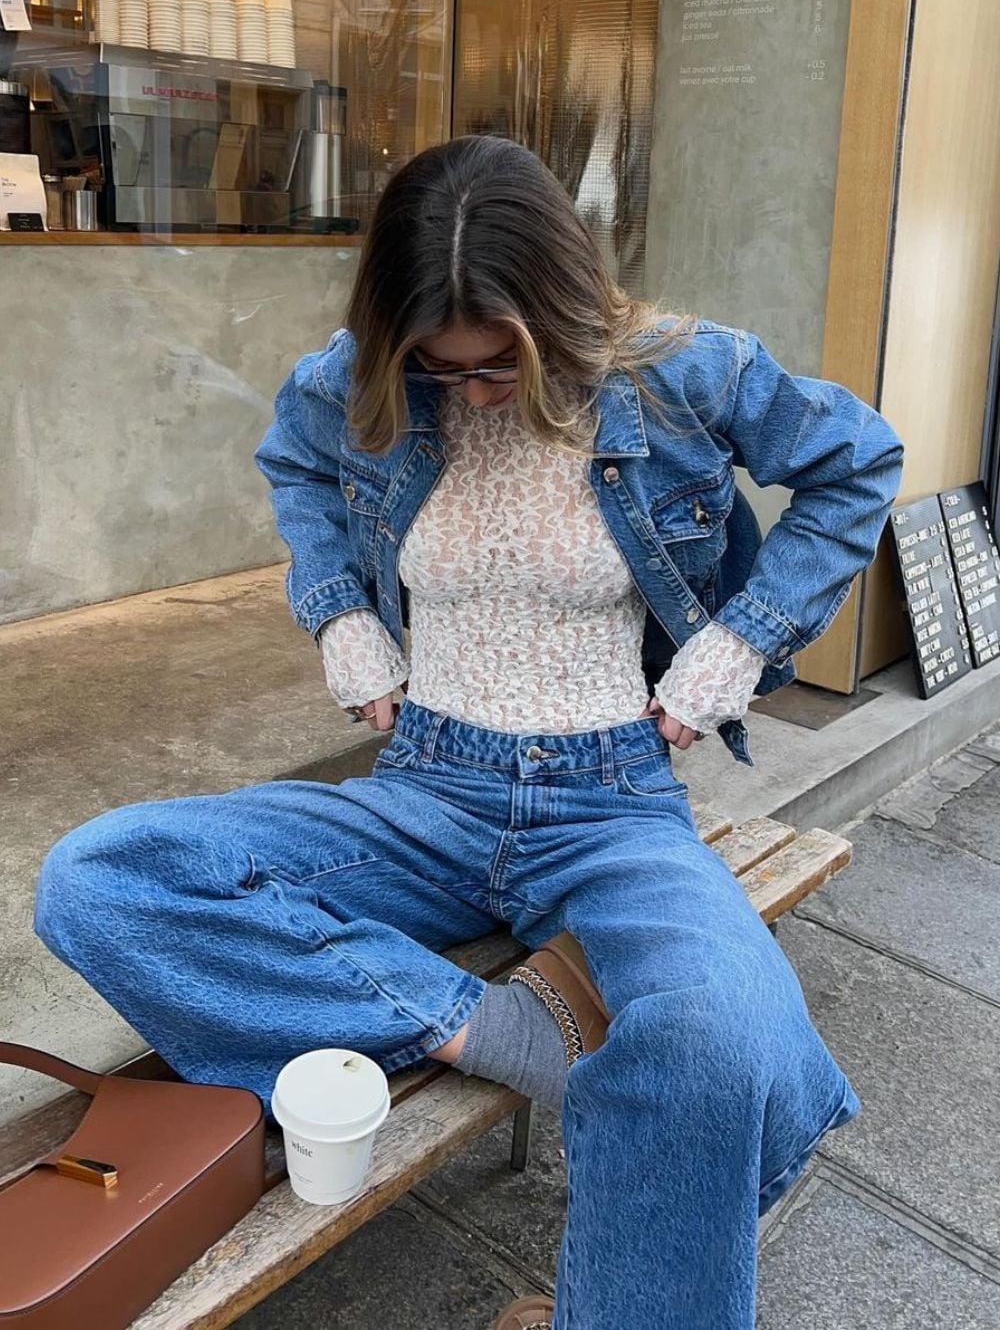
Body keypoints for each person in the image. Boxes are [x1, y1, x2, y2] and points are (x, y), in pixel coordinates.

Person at [34, 135, 903, 1330]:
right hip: (424, 792)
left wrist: (738, 641)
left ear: (562, 306)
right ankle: (489, 1032)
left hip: (614, 803)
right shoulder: (352, 379)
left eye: (499, 363)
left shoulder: (686, 372)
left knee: (724, 1041)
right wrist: (339, 609)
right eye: (437, 371)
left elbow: (859, 464)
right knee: (101, 878)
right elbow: (296, 461)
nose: (474, 394)